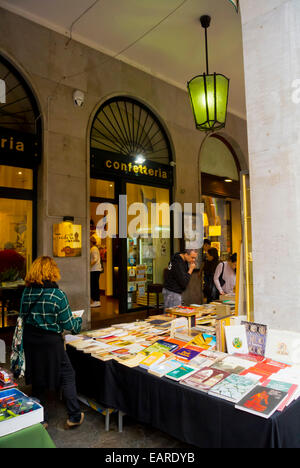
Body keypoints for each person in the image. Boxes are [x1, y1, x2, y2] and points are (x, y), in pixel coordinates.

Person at [19, 256, 84, 429]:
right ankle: (74, 416)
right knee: (67, 374)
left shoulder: (26, 292)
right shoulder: (57, 295)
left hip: (31, 339)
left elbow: (21, 317)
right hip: (51, 342)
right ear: (52, 271)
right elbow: (69, 325)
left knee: (37, 376)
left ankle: (41, 419)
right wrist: (78, 321)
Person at [90, 235, 102, 307]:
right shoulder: (94, 248)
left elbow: (95, 259)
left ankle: (96, 300)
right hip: (95, 269)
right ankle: (96, 300)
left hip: (94, 269)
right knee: (94, 285)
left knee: (94, 285)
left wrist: (89, 265)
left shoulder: (93, 249)